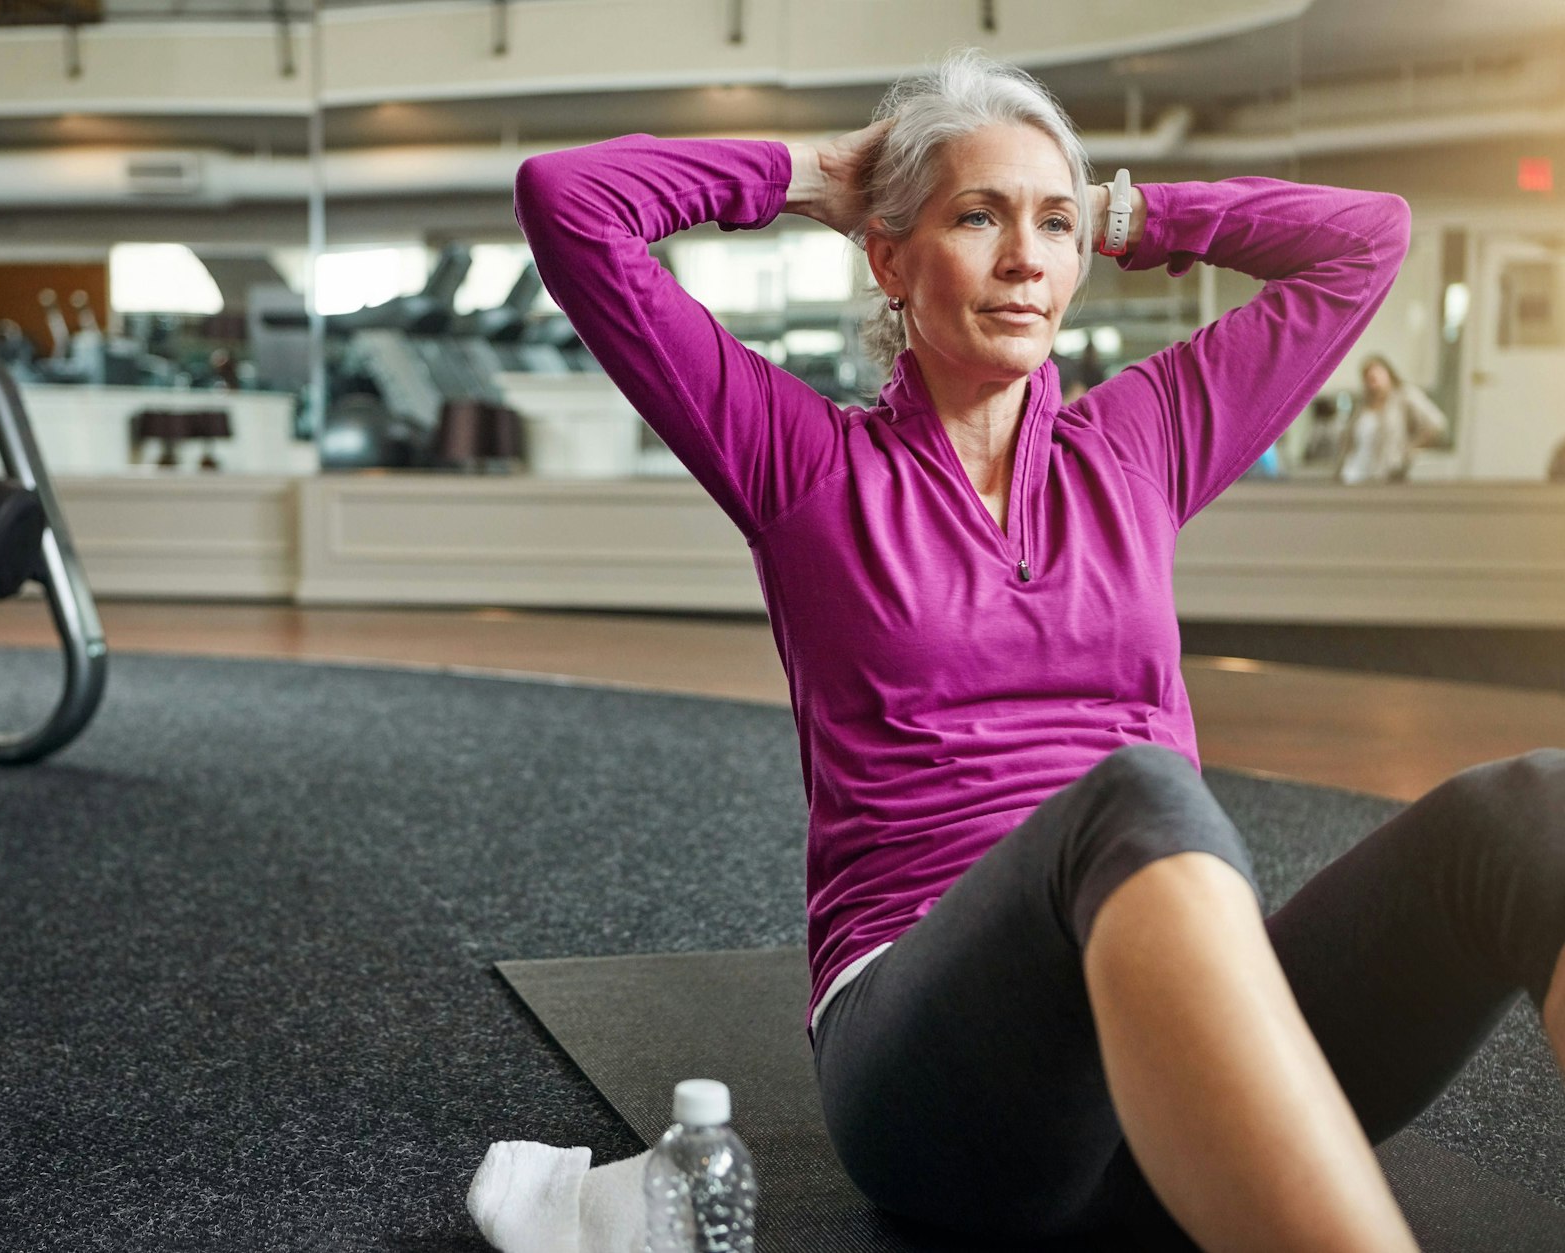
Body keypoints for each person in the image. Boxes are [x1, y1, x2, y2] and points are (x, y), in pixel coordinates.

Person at [474, 49, 1565, 1253]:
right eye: (976, 216)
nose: (1022, 259)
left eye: (1051, 228)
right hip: (937, 1079)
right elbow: (570, 202)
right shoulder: (803, 466)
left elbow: (1365, 235)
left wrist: (1120, 210)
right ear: (888, 257)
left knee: (1535, 807)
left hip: (1178, 1043)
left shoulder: (1137, 442)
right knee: (1140, 793)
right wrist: (816, 177)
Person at [1336, 354, 1449, 484]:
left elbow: (1436, 423)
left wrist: (1409, 449)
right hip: (1353, 475)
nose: (1373, 380)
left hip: (1387, 475)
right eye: (1368, 377)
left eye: (1377, 374)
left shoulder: (1404, 396)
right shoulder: (1362, 405)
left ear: (1389, 373)